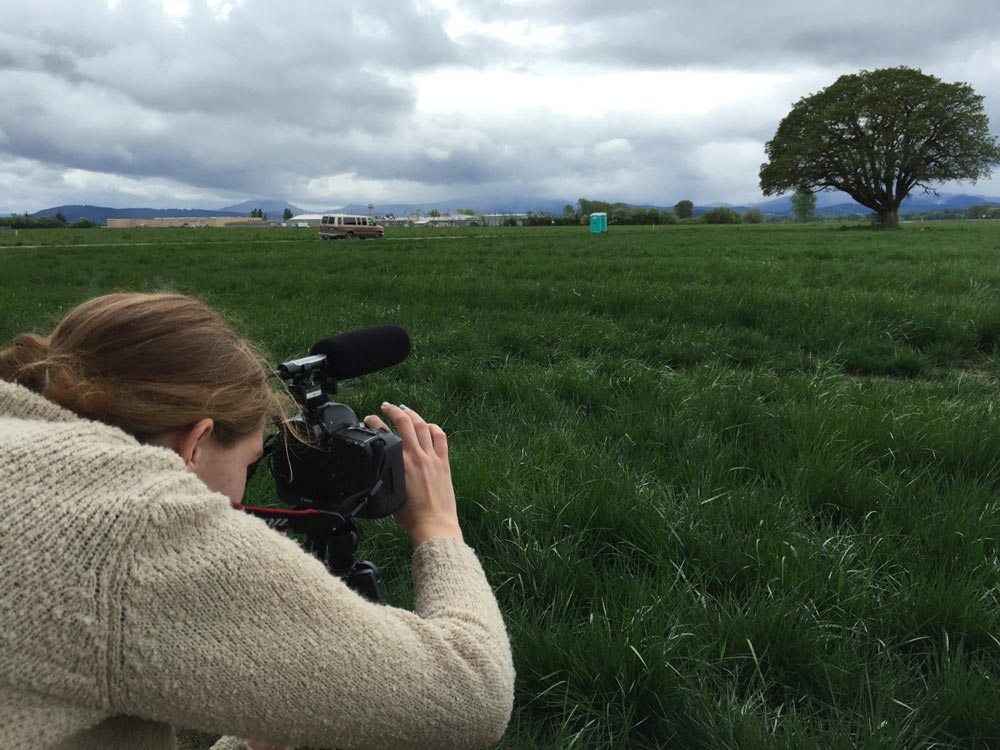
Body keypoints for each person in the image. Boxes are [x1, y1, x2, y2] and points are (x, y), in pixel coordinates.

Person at [0, 292, 515, 750]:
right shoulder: (135, 526)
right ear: (194, 445)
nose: (246, 489)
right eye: (250, 464)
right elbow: (473, 695)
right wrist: (438, 527)